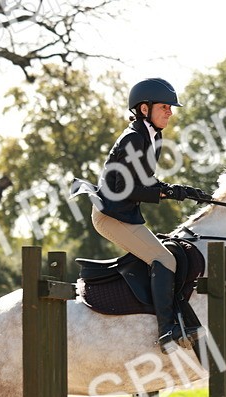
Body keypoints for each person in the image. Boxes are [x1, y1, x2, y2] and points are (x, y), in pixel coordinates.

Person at [85, 78, 211, 353]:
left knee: (169, 255)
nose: (170, 112)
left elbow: (144, 180)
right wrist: (165, 193)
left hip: (124, 214)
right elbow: (123, 188)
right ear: (145, 109)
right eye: (165, 107)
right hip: (111, 215)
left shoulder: (152, 137)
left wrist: (178, 189)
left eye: (170, 107)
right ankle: (166, 330)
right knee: (164, 258)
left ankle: (177, 321)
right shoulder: (133, 138)